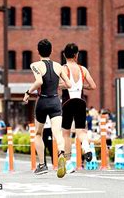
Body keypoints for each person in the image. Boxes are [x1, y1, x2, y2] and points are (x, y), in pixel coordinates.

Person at [23, 39, 72, 178]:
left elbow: (39, 81)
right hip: (55, 101)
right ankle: (61, 153)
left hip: (42, 101)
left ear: (38, 51)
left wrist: (27, 93)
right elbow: (68, 84)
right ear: (51, 51)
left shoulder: (35, 65)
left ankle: (42, 165)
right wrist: (56, 85)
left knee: (38, 134)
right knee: (58, 133)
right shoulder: (58, 66)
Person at [59, 43, 97, 173]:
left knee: (66, 133)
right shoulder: (83, 69)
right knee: (81, 131)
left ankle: (69, 163)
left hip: (67, 102)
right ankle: (86, 148)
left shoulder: (63, 68)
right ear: (77, 55)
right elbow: (93, 86)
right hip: (81, 101)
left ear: (64, 55)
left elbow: (60, 85)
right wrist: (81, 86)